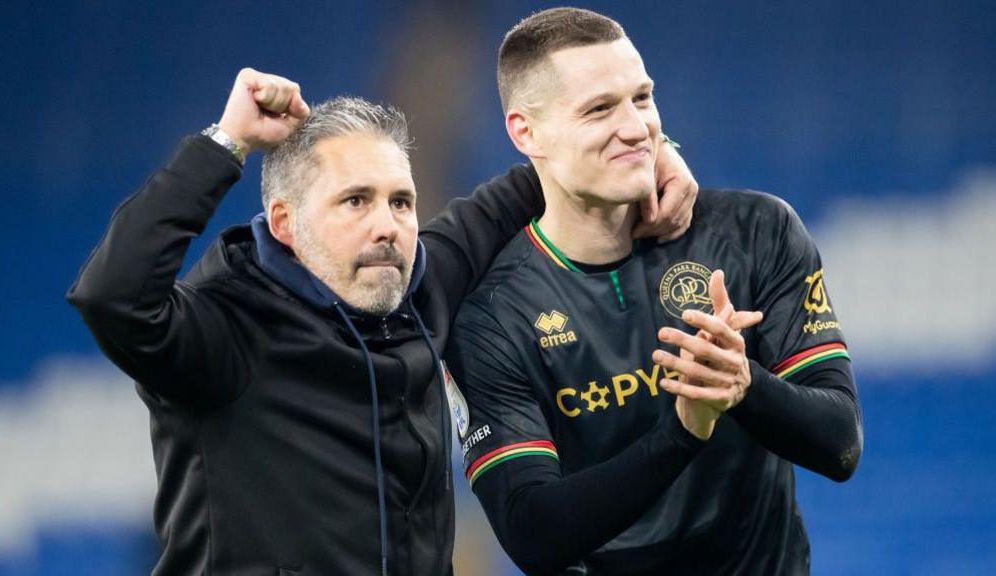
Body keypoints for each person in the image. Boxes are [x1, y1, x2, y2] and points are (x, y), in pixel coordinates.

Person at [67, 67, 697, 575]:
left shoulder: (422, 288)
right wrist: (224, 143)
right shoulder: (224, 330)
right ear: (285, 224)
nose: (387, 224)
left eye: (400, 201)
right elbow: (112, 297)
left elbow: (541, 176)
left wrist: (654, 154)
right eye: (355, 201)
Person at [444, 7, 864, 575]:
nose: (637, 127)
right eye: (598, 109)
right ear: (526, 132)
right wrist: (684, 430)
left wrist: (744, 385)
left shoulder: (756, 231)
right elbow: (534, 532)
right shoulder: (491, 319)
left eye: (641, 99)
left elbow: (841, 445)